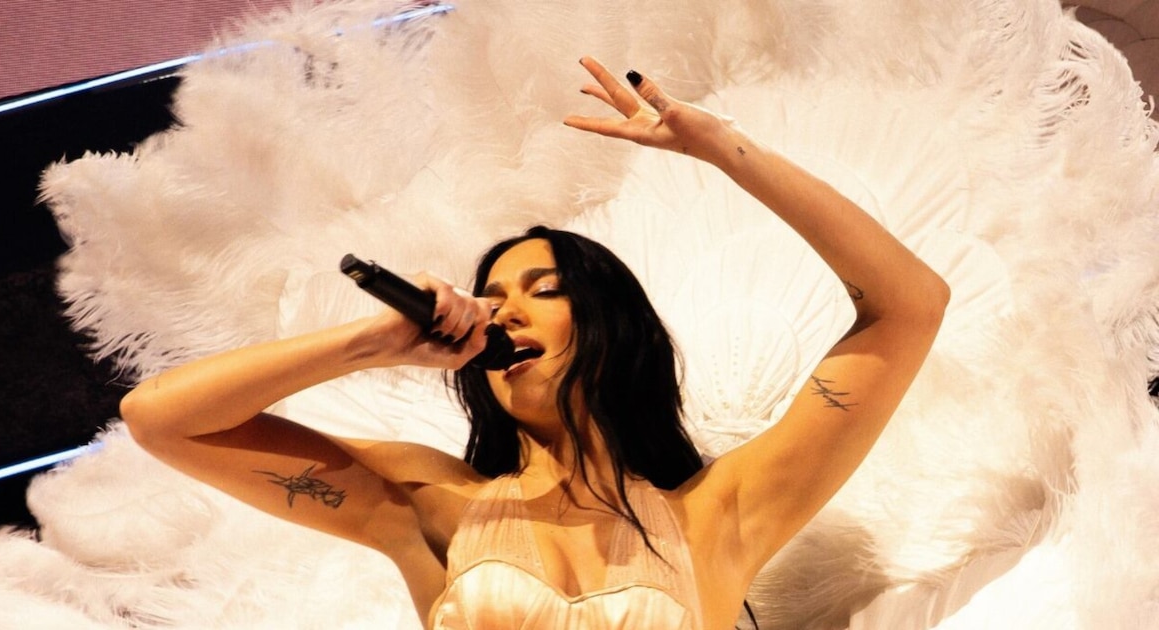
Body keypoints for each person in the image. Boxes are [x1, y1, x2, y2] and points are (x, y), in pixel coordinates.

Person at [119, 56, 949, 630]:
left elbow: (910, 306)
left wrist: (724, 150)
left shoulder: (721, 514)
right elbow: (160, 419)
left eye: (543, 291)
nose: (505, 314)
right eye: (492, 300)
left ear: (611, 327)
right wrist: (374, 341)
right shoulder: (426, 503)